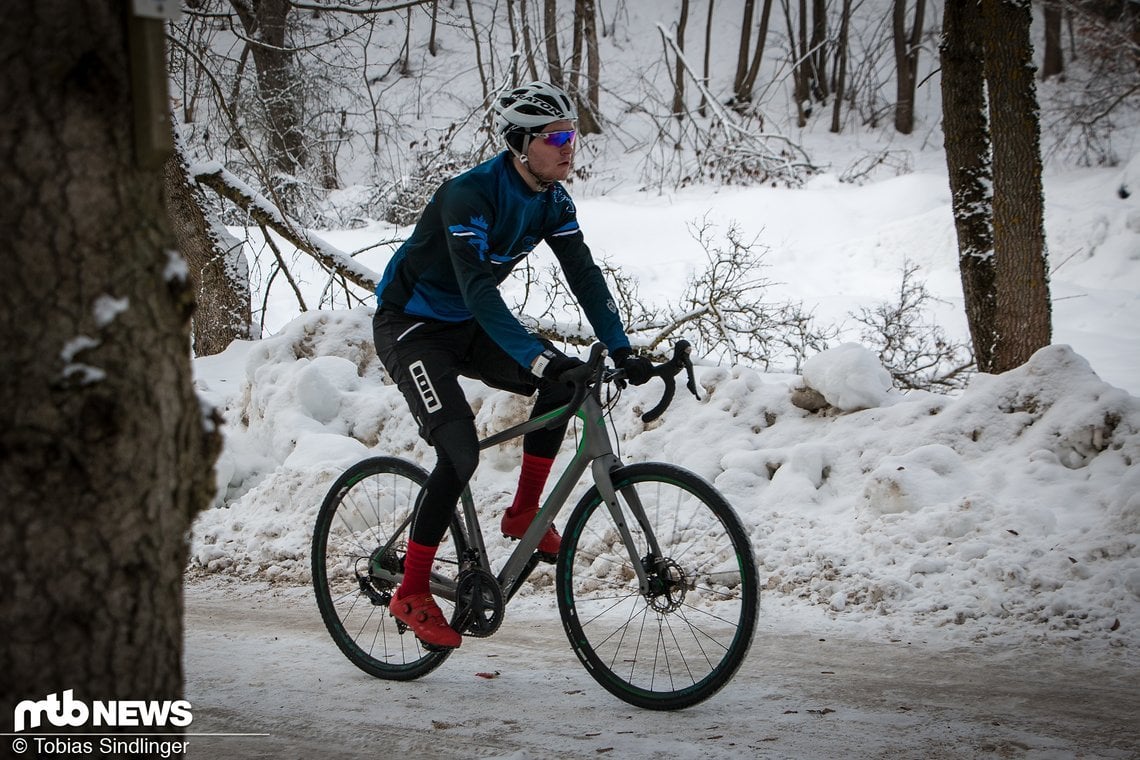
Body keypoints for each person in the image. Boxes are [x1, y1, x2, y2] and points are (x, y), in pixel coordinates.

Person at [372, 81, 653, 649]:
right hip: (413, 326)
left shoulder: (551, 199)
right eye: (558, 137)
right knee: (459, 450)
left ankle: (524, 513)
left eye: (572, 135)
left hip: (467, 327)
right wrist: (534, 354)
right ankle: (412, 587)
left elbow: (584, 274)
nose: (570, 147)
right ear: (521, 143)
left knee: (566, 383)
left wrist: (621, 347)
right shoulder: (468, 196)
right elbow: (478, 290)